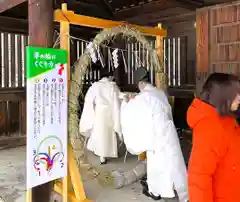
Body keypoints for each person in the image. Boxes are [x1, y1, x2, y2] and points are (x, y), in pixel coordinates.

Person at [121, 67, 188, 202]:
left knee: (158, 165)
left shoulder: (143, 98)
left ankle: (159, 191)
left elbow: (132, 114)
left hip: (156, 135)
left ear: (140, 84)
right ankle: (179, 189)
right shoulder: (159, 93)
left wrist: (126, 102)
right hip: (169, 132)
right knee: (174, 162)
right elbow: (168, 112)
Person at [187, 73, 240, 202]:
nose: (239, 98)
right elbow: (199, 177)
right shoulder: (210, 127)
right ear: (222, 95)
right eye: (236, 93)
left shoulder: (225, 118)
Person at [79, 68, 122, 164]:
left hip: (98, 111)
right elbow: (118, 98)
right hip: (110, 112)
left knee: (98, 133)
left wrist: (91, 110)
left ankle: (100, 155)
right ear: (110, 76)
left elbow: (89, 99)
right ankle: (105, 154)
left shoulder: (95, 86)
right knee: (108, 134)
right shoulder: (112, 86)